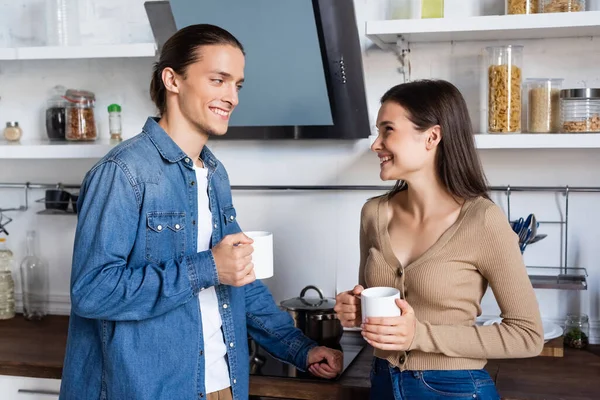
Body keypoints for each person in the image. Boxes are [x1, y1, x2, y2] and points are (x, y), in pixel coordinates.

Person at [59, 24, 342, 400]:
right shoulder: (124, 172)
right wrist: (207, 267)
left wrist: (300, 349)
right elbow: (93, 292)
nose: (232, 97)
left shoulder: (213, 174)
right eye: (218, 80)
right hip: (148, 390)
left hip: (222, 386)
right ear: (172, 80)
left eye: (237, 84)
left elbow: (239, 274)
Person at [334, 79, 544, 400]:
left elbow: (527, 336)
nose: (376, 144)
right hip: (382, 382)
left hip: (454, 388)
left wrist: (419, 335)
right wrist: (356, 309)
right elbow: (382, 313)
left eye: (388, 130)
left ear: (432, 136)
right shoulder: (373, 213)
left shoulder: (483, 219)